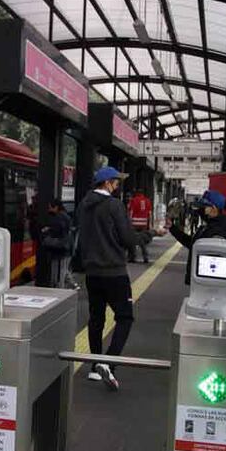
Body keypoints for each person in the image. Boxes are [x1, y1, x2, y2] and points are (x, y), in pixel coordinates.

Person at [78, 166, 141, 391]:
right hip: (114, 272)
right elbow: (126, 238)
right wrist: (149, 235)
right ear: (107, 184)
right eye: (115, 183)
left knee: (96, 319)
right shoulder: (114, 206)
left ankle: (95, 366)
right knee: (125, 318)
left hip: (92, 273)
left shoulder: (84, 206)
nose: (117, 187)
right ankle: (109, 362)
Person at [169, 189, 226, 285]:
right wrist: (172, 228)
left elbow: (215, 262)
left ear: (214, 209)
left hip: (209, 285)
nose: (201, 211)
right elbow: (193, 245)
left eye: (204, 207)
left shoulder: (219, 230)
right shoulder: (210, 226)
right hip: (202, 282)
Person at [40, 198, 77, 289]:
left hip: (60, 251)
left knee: (58, 275)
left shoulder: (58, 218)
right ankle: (73, 286)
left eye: (50, 208)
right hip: (66, 250)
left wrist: (47, 232)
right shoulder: (66, 216)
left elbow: (57, 233)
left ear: (56, 207)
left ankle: (59, 292)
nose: (49, 210)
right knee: (63, 271)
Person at [128, 190, 153, 263]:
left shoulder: (133, 200)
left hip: (134, 223)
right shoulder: (147, 200)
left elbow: (131, 212)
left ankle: (132, 257)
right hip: (144, 223)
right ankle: (145, 257)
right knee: (142, 241)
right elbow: (150, 213)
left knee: (132, 239)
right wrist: (150, 224)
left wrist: (129, 222)